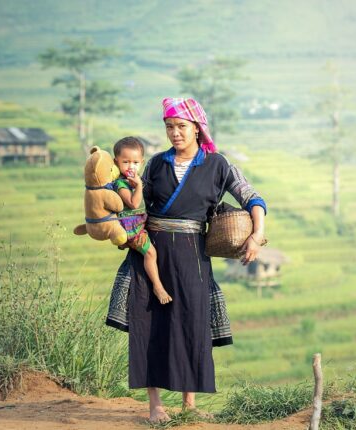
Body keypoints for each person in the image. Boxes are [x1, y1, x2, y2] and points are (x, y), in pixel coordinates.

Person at [112, 97, 267, 423]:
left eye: (181, 126)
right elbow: (134, 200)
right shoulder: (155, 164)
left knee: (193, 324)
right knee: (149, 324)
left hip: (193, 256)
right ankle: (155, 407)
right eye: (169, 127)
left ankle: (190, 404)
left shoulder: (217, 165)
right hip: (152, 251)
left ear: (197, 128)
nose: (174, 133)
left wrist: (256, 234)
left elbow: (252, 197)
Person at [112, 137, 172, 305]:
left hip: (138, 225)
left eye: (136, 162)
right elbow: (133, 203)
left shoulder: (132, 180)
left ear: (142, 162)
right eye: (126, 162)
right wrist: (138, 186)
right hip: (132, 229)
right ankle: (157, 286)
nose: (131, 166)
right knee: (151, 253)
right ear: (116, 162)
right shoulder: (121, 184)